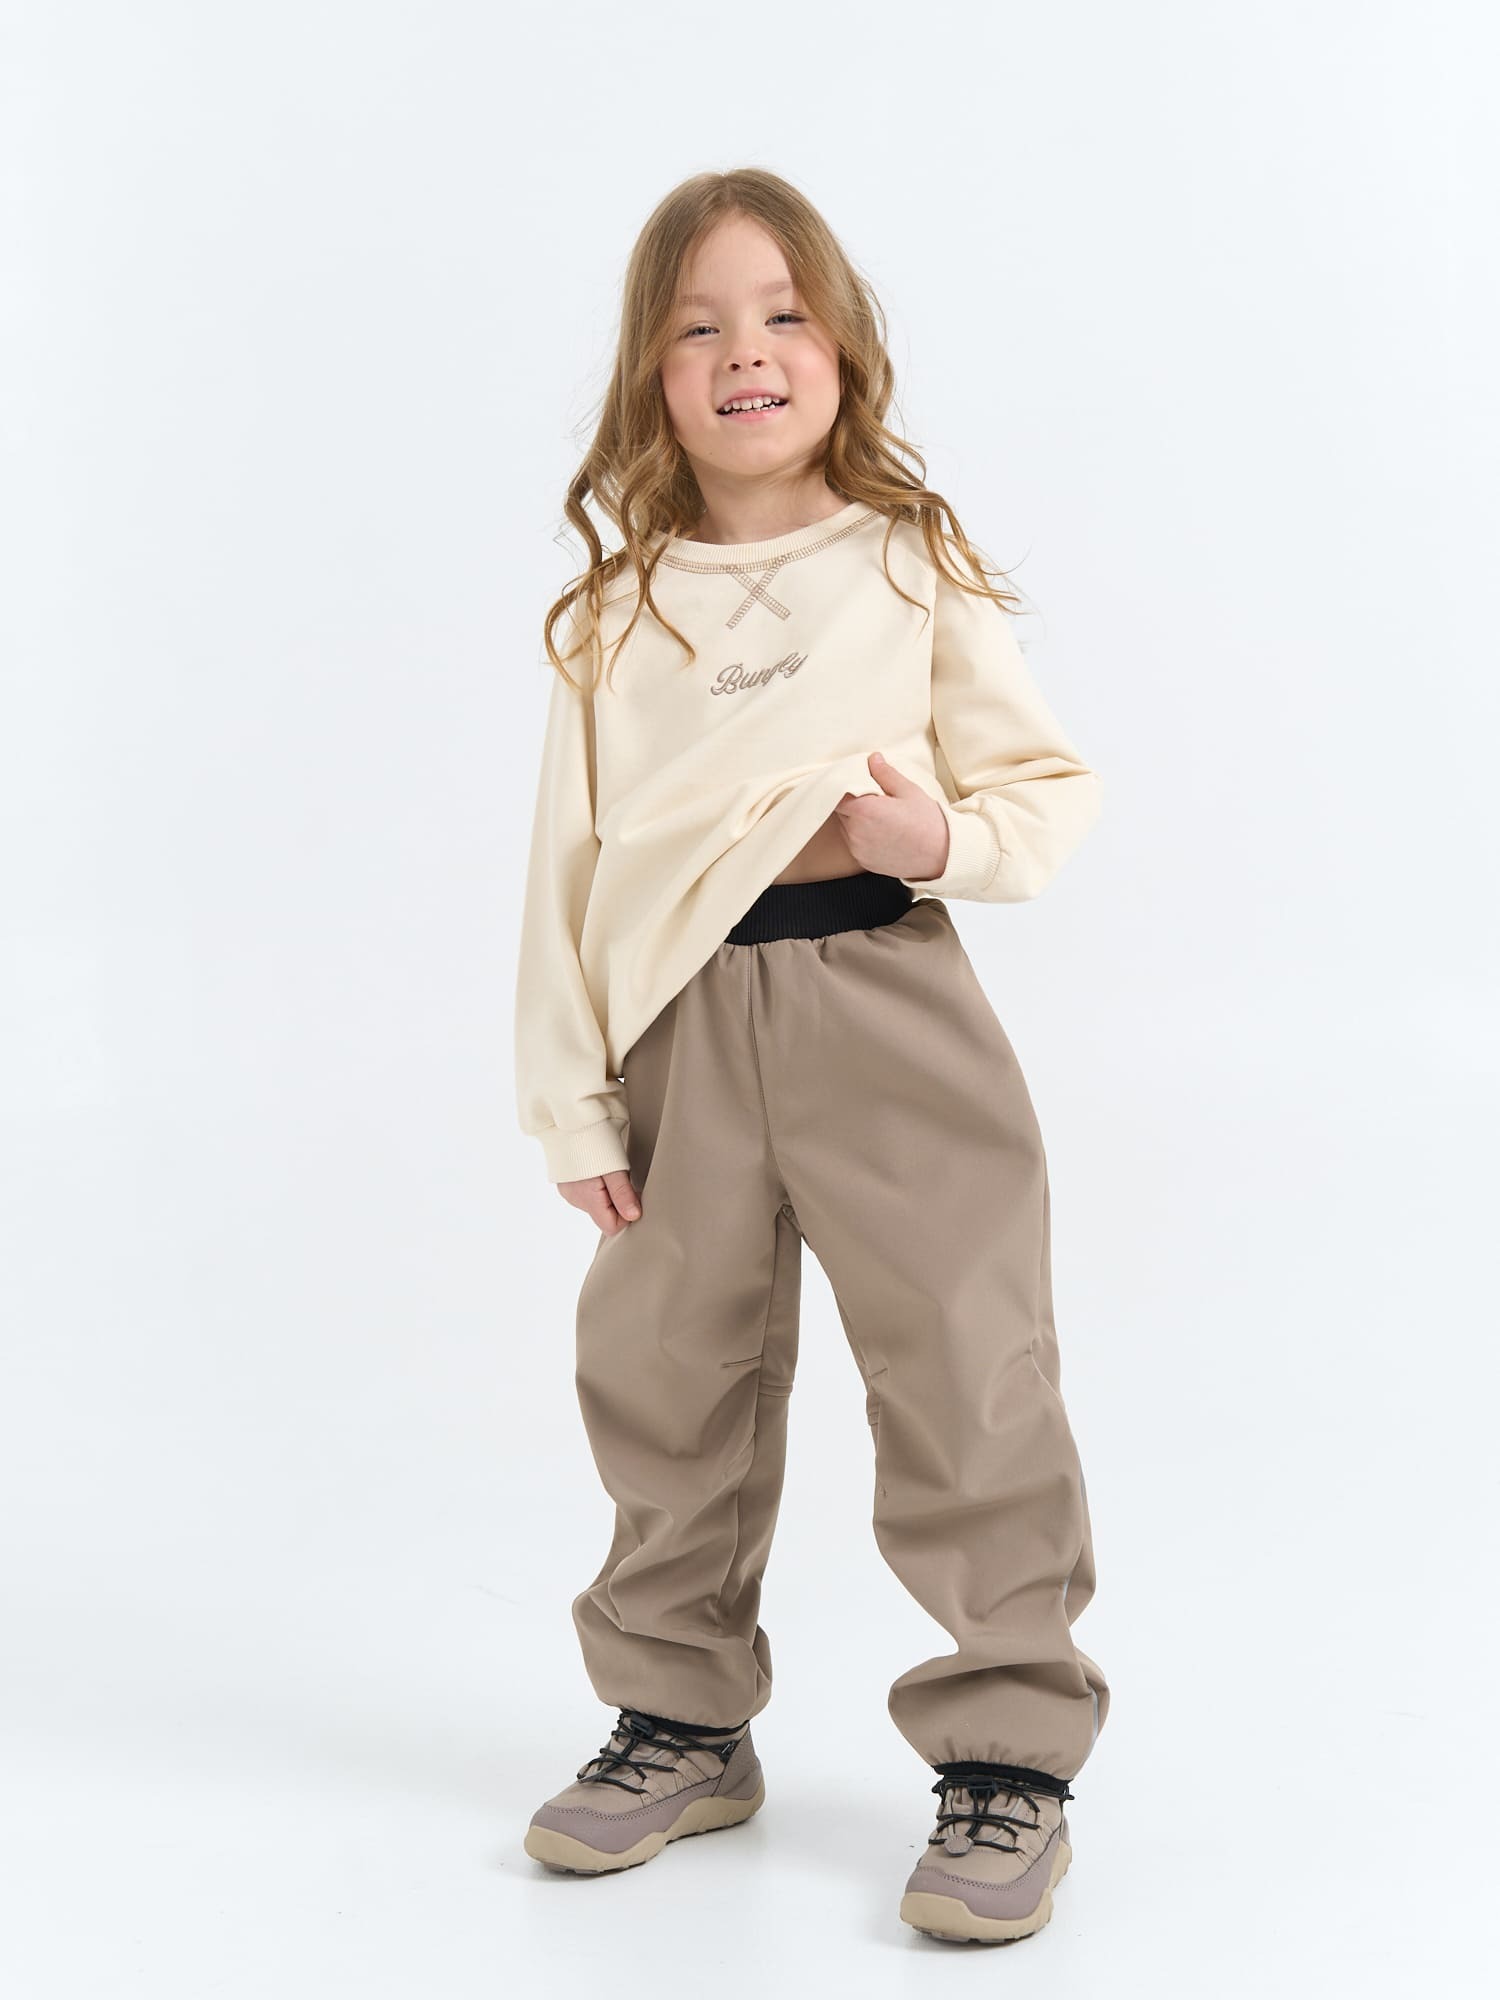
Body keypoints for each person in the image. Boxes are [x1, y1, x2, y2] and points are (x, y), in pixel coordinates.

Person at [513, 167, 1111, 1945]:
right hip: (679, 1029)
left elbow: (1043, 788)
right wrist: (571, 1098)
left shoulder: (906, 562)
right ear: (652, 375)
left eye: (781, 315)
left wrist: (941, 841)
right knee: (666, 1379)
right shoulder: (616, 614)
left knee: (964, 1364)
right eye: (697, 326)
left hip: (883, 1004)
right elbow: (563, 871)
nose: (744, 352)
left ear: (843, 349)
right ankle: (681, 1720)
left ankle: (1006, 1750)